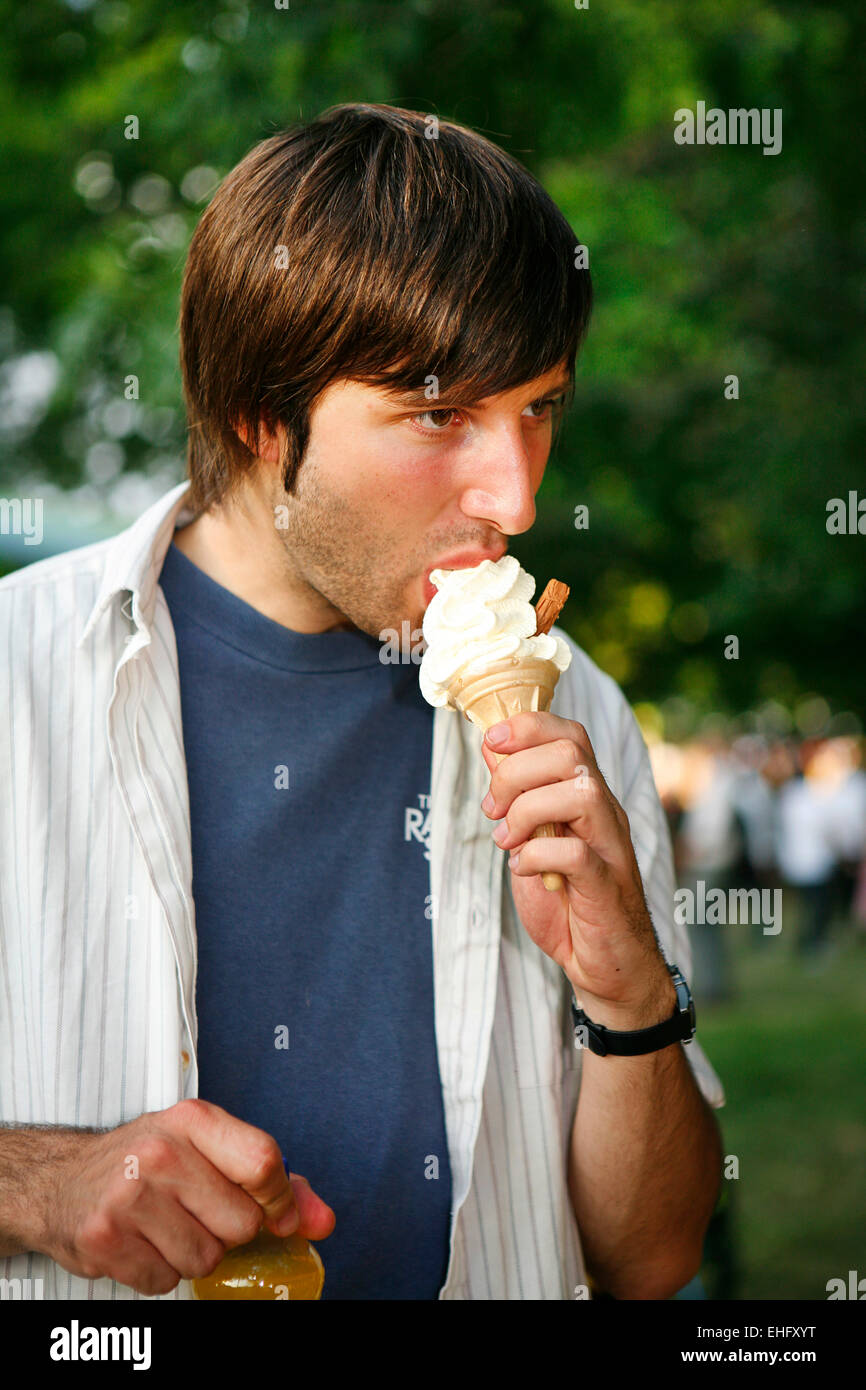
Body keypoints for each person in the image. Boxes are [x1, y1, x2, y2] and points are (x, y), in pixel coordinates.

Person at [0, 102, 724, 1301]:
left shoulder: (576, 704)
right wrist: (34, 1182)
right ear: (258, 414)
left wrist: (628, 993)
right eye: (440, 416)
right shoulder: (16, 676)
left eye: (537, 407)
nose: (516, 496)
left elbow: (648, 1260)